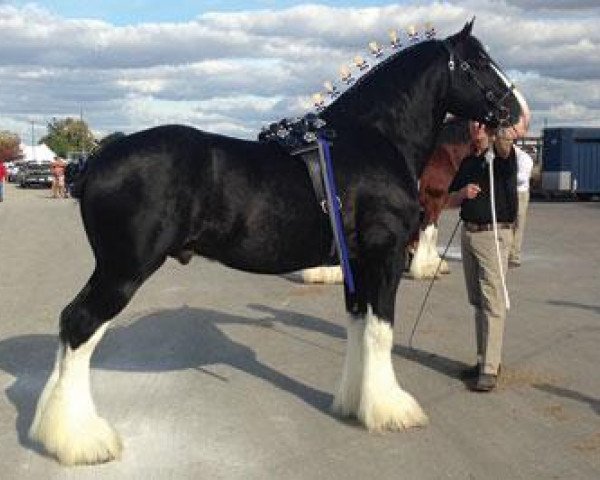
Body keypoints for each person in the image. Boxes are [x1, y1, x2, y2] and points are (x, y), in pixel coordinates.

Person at [447, 124, 518, 392]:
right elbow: (449, 199)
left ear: (488, 129)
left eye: (479, 125)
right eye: (471, 125)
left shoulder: (500, 157)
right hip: (469, 233)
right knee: (477, 300)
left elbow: (504, 145)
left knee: (492, 300)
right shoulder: (468, 161)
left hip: (493, 235)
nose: (474, 130)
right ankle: (482, 359)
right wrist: (462, 194)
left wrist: (500, 125)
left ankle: (490, 367)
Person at [509, 145, 533, 267]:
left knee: (517, 224)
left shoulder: (524, 158)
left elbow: (522, 178)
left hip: (520, 193)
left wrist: (505, 176)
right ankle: (505, 252)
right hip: (508, 192)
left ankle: (514, 256)